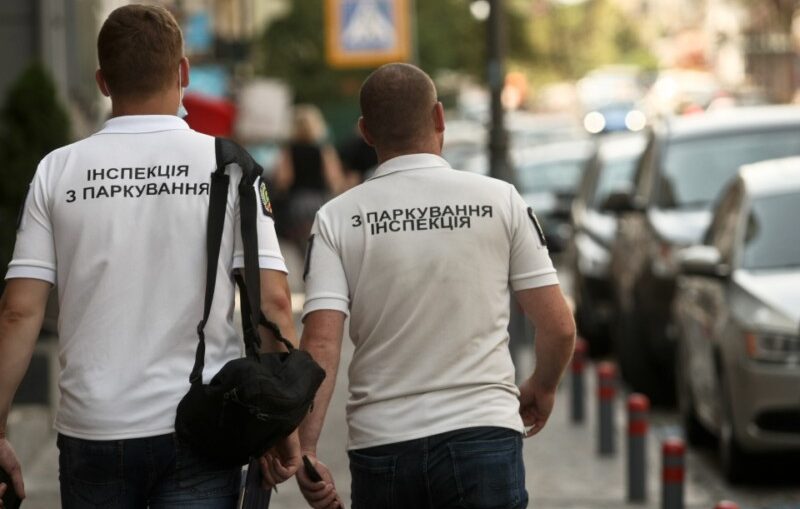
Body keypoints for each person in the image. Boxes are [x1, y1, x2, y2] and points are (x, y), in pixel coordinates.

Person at [0, 5, 299, 507]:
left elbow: (19, 312)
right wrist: (280, 423)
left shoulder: (57, 170)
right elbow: (274, 304)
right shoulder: (229, 168)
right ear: (183, 72)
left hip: (94, 427)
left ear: (102, 82)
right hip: (200, 424)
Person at [295, 63, 576, 509]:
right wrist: (543, 386)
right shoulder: (500, 199)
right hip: (484, 433)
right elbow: (559, 327)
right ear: (439, 117)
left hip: (383, 442)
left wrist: (307, 447)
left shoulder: (337, 217)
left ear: (365, 132)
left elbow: (320, 345)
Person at [271, 105, 344, 252]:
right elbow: (334, 180)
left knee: (300, 247)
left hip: (296, 203)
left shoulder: (288, 150)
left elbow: (284, 179)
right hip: (320, 201)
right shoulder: (324, 150)